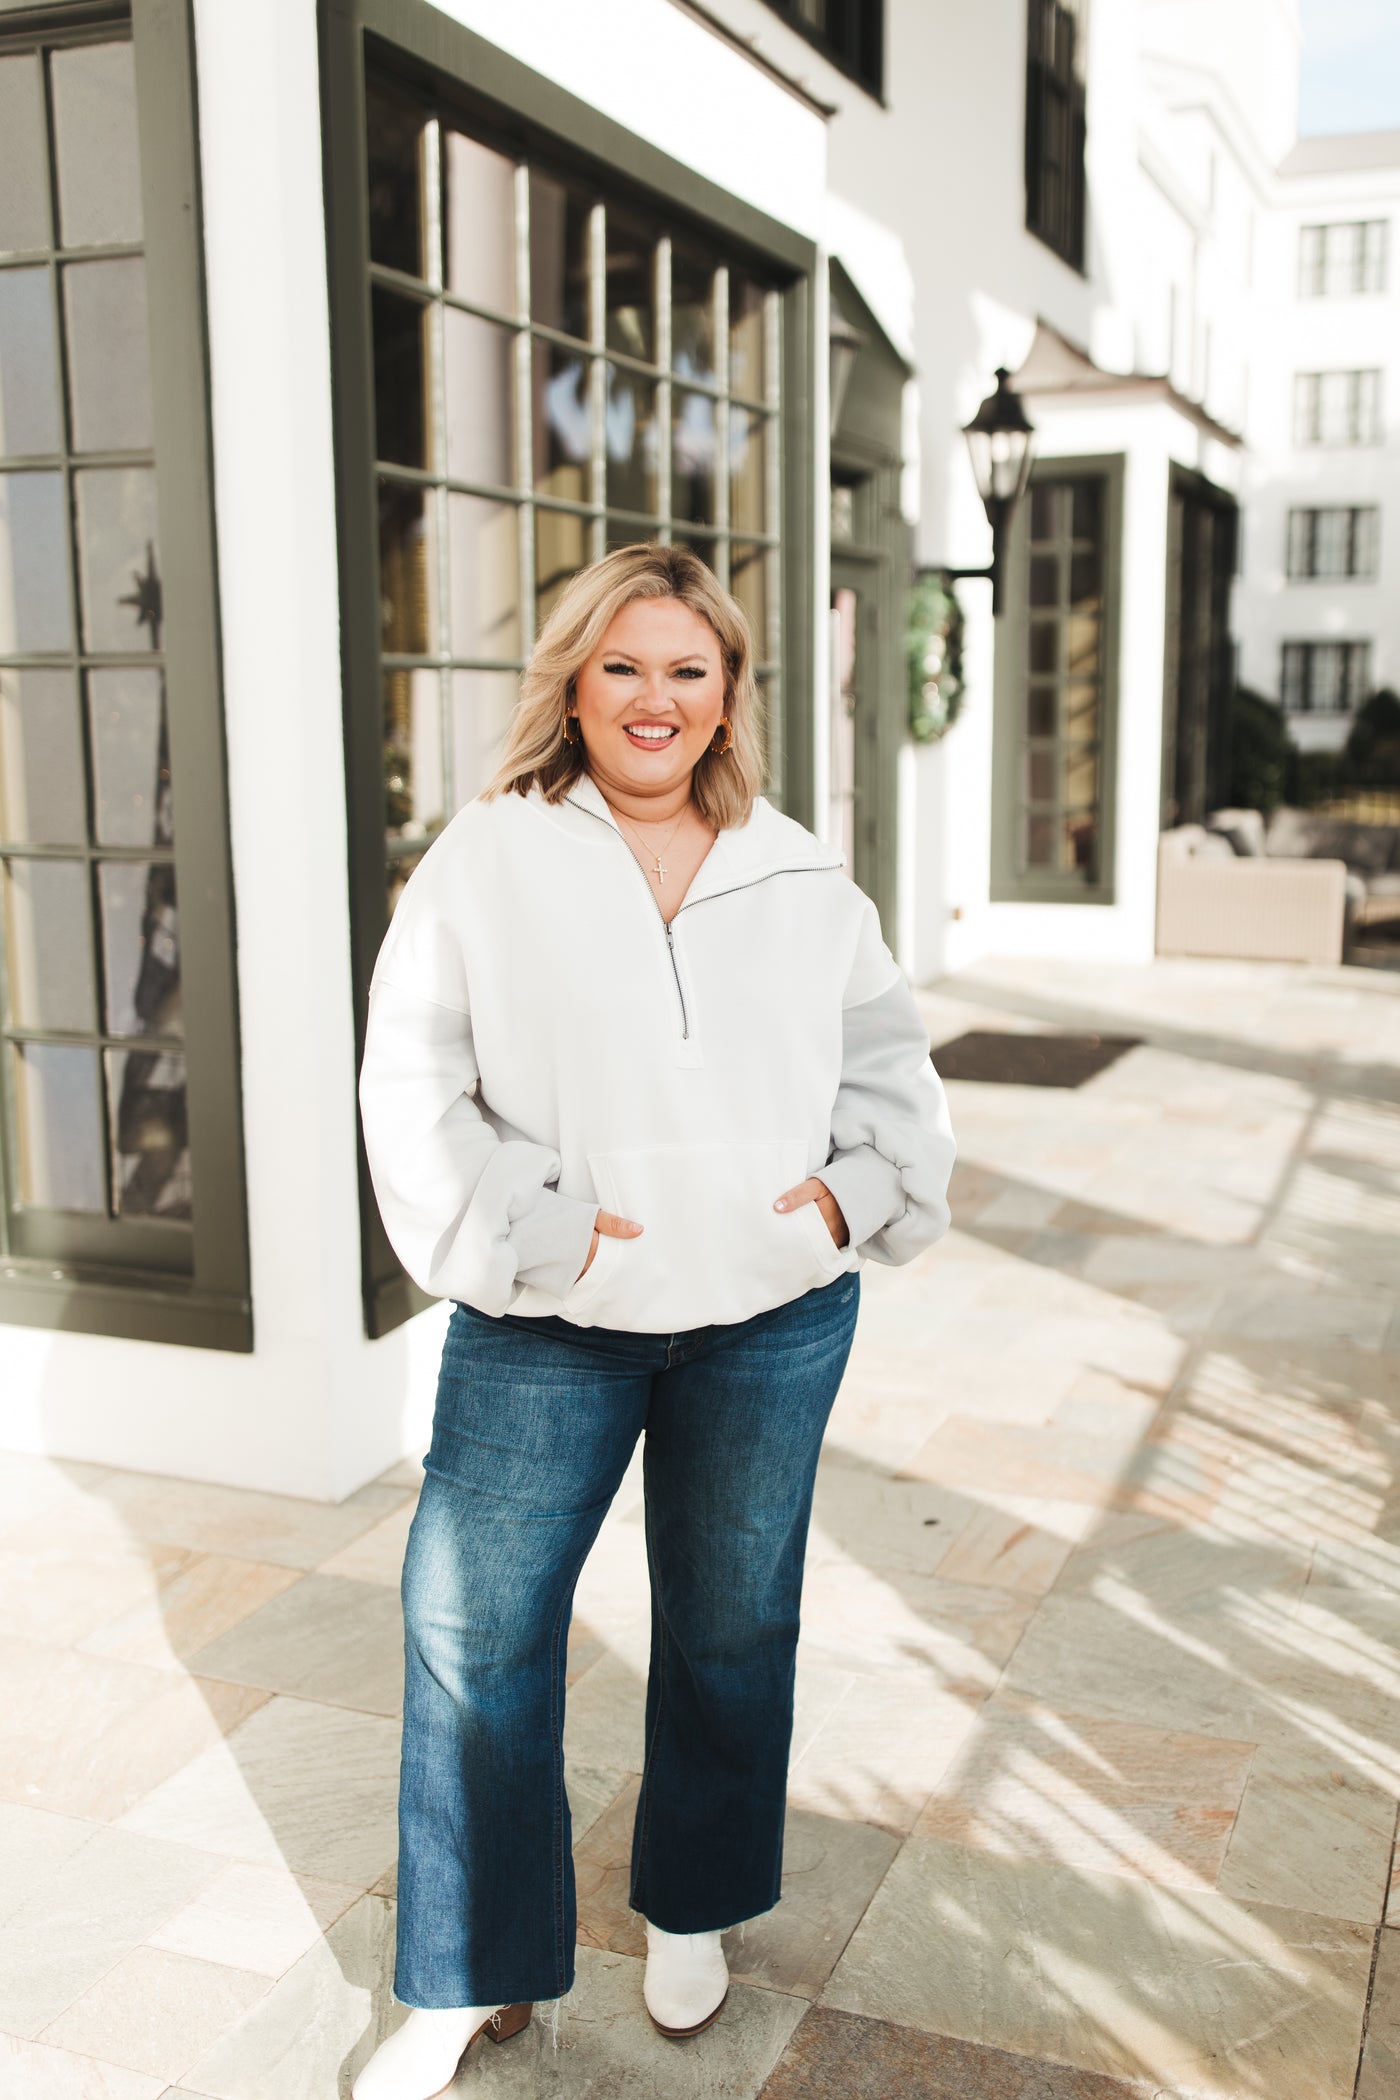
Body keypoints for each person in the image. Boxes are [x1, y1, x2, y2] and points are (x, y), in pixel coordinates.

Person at [353, 544, 954, 2100]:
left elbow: (891, 1075)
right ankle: (466, 1974)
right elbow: (412, 1081)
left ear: (731, 693)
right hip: (552, 1318)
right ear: (574, 678)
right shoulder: (488, 858)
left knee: (731, 1626)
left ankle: (692, 1906)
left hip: (766, 1318)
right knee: (472, 1629)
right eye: (624, 665)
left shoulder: (802, 872)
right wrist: (531, 1230)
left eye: (689, 670)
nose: (654, 699)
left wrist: (841, 1203)